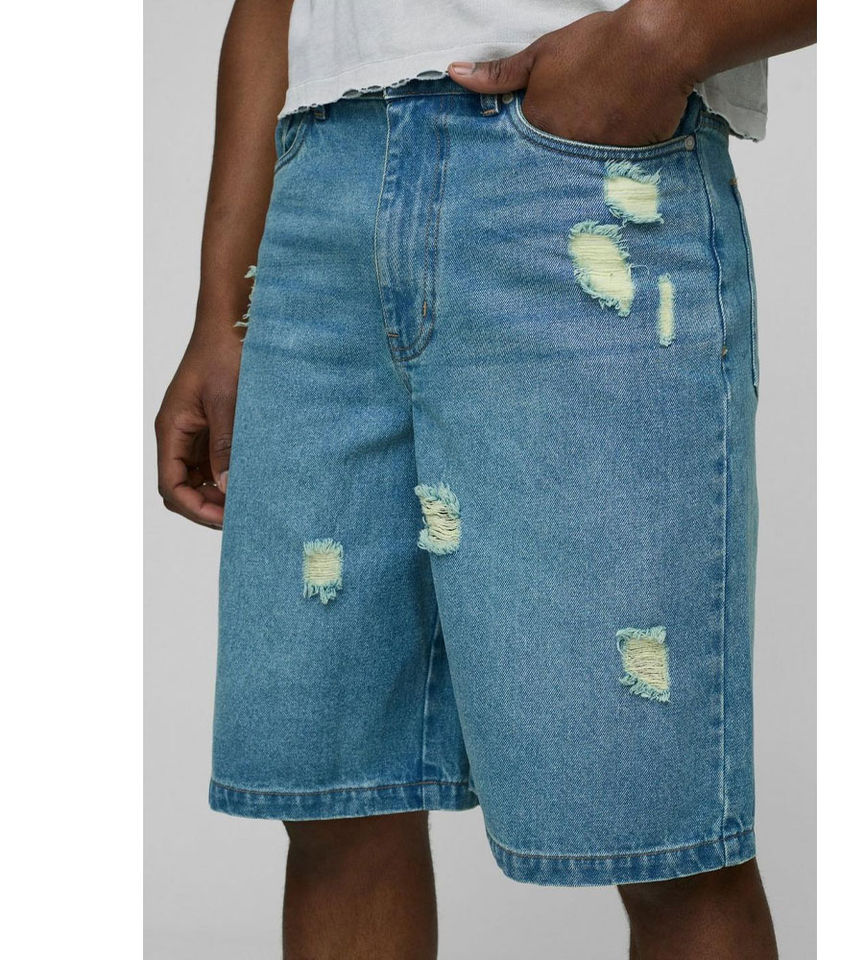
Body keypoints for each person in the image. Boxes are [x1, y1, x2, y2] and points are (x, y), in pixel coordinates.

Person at [155, 1, 815, 956]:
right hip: (314, 202)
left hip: (576, 186)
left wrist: (663, 39)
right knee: (337, 805)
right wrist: (223, 306)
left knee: (666, 839)